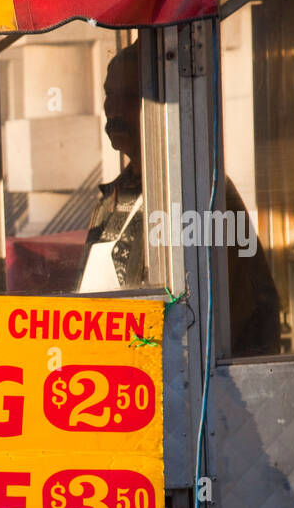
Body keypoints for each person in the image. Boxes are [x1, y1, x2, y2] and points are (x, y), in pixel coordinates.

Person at [83, 42, 281, 356]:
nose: (115, 110)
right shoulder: (112, 198)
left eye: (130, 97)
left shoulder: (199, 194)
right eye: (110, 95)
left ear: (160, 107)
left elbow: (226, 315)